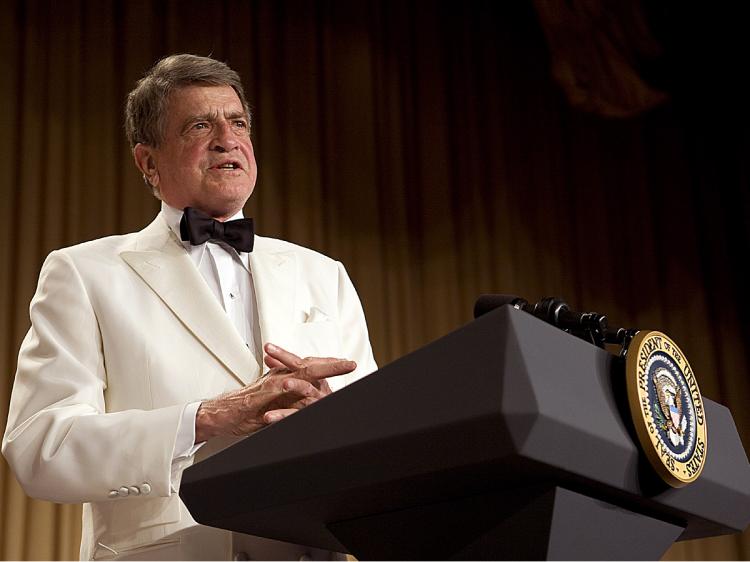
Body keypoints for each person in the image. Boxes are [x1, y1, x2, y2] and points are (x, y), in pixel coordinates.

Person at [2, 54, 377, 560]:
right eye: (200, 125)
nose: (228, 138)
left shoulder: (322, 273)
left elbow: (376, 443)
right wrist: (206, 418)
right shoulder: (84, 273)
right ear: (148, 162)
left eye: (237, 122)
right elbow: (41, 448)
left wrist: (331, 419)